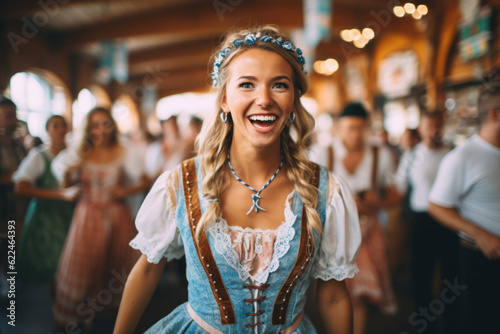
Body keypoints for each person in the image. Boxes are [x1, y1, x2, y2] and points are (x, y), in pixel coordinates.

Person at [114, 25, 361, 333]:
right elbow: (148, 271)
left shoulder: (327, 191)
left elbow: (335, 296)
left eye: (279, 86)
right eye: (247, 85)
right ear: (224, 101)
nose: (264, 100)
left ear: (294, 100)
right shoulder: (181, 182)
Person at [52, 107, 146, 330]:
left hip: (117, 217)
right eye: (95, 125)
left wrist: (125, 191)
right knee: (86, 266)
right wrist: (68, 173)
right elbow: (66, 189)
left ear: (112, 126)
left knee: (114, 266)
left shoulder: (124, 150)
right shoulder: (80, 152)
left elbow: (145, 180)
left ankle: (115, 317)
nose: (101, 130)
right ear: (88, 128)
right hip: (87, 217)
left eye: (105, 123)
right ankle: (82, 315)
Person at [311, 102, 398, 334]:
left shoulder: (381, 154)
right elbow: (309, 194)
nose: (356, 134)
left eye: (361, 128)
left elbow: (396, 192)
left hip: (369, 231)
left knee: (360, 291)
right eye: (350, 128)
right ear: (338, 127)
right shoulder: (323, 153)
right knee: (341, 287)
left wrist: (375, 203)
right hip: (333, 233)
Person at [429, 84, 500, 334]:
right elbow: (436, 205)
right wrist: (481, 234)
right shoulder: (463, 157)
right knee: (484, 322)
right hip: (483, 256)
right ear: (495, 114)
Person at [395, 111, 459, 334]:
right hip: (421, 222)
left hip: (449, 222)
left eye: (437, 126)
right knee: (420, 276)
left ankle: (452, 324)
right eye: (428, 126)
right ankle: (426, 325)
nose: (433, 131)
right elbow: (399, 187)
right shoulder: (411, 156)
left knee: (451, 277)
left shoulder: (452, 155)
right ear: (420, 129)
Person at [13, 115, 80, 285]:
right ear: (47, 130)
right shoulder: (39, 155)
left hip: (71, 216)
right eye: (55, 126)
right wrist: (61, 194)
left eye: (63, 125)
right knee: (51, 264)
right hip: (45, 217)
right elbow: (20, 188)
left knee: (70, 265)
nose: (60, 129)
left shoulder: (75, 154)